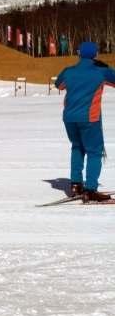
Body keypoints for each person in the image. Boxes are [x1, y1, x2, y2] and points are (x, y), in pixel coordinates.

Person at [54, 41, 115, 203]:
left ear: (79, 53)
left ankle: (76, 184)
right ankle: (91, 190)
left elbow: (58, 85)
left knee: (77, 147)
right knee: (95, 152)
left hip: (69, 118)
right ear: (95, 55)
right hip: (90, 118)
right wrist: (107, 67)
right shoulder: (101, 72)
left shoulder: (68, 71)